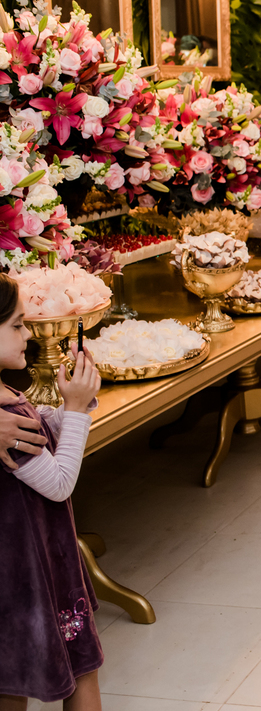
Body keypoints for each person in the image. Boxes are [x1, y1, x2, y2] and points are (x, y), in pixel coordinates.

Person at [0, 274, 104, 709]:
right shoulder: (4, 419)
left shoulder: (6, 399)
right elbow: (59, 484)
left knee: (15, 680)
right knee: (73, 670)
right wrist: (76, 409)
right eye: (17, 325)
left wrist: (73, 404)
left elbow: (41, 432)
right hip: (31, 569)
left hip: (30, 565)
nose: (27, 335)